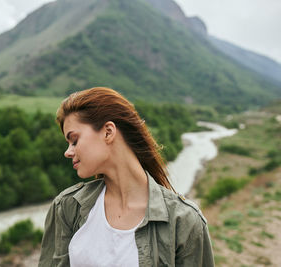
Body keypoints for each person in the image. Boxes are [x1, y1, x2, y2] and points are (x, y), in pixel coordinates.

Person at [38, 87, 214, 267]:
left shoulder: (184, 222)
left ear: (108, 132)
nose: (68, 152)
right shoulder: (67, 207)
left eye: (74, 140)